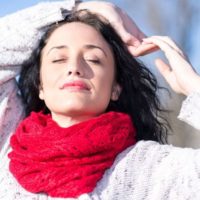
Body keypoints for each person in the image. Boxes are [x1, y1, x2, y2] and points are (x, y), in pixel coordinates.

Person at [0, 7, 200, 200]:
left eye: (93, 59)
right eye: (59, 59)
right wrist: (79, 6)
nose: (74, 68)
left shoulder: (153, 171)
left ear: (115, 88)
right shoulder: (7, 149)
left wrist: (194, 88)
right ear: (40, 86)